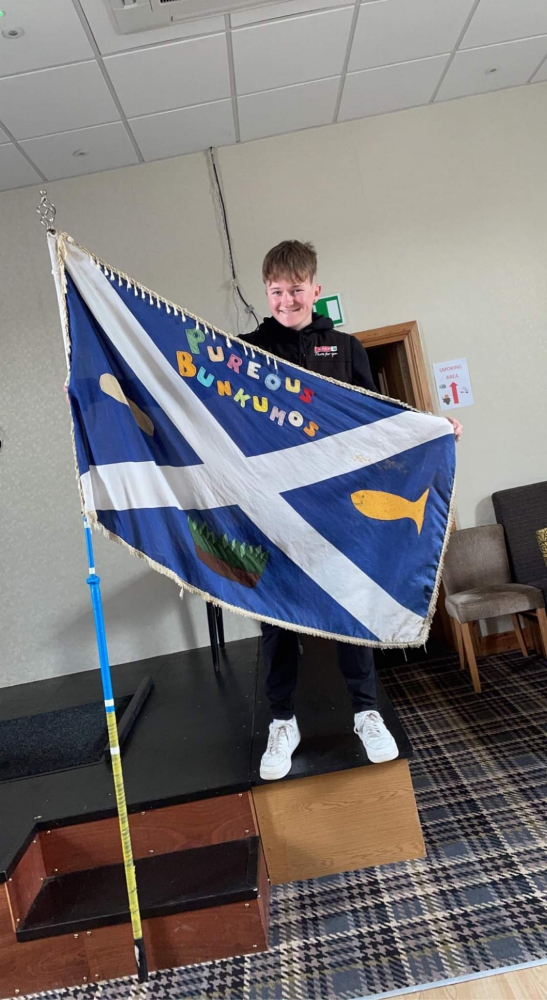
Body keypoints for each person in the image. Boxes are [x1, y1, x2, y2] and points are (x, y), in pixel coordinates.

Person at [241, 240, 462, 782]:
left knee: (351, 610)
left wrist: (433, 429)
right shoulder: (245, 351)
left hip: (339, 509)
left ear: (315, 289)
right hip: (274, 512)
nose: (286, 300)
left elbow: (380, 419)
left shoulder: (344, 348)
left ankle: (366, 712)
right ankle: (282, 721)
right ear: (265, 292)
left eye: (296, 290)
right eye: (276, 291)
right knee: (276, 621)